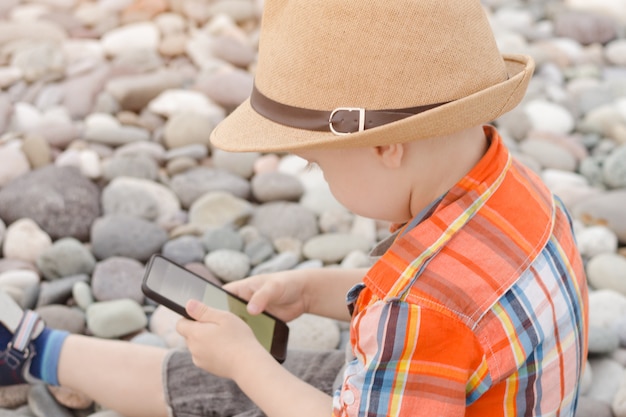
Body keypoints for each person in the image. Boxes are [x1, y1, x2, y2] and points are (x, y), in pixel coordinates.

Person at [0, 0, 588, 416]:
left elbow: (430, 312)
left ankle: (33, 352)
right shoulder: (520, 192)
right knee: (234, 375)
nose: (316, 174)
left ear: (386, 146)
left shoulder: (417, 312)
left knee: (242, 380)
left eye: (318, 162)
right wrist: (312, 290)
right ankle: (35, 351)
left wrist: (248, 367)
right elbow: (457, 307)